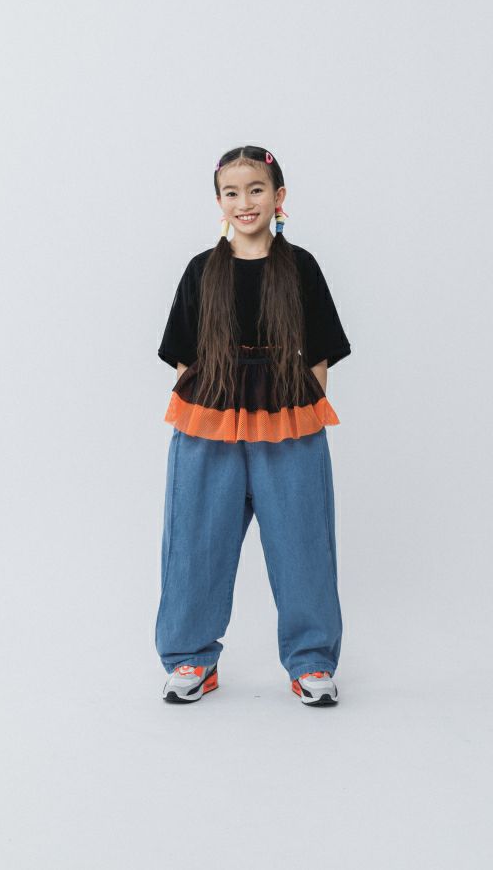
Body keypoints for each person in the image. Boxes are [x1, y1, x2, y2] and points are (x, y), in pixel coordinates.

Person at [154, 145, 352, 707]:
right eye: (232, 193)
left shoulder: (301, 267)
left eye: (257, 189)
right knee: (195, 538)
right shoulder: (202, 270)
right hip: (210, 419)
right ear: (219, 201)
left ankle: (312, 660)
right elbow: (183, 356)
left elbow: (320, 353)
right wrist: (208, 408)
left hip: (286, 417)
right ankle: (191, 657)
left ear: (278, 196)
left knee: (302, 539)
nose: (245, 202)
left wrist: (302, 406)